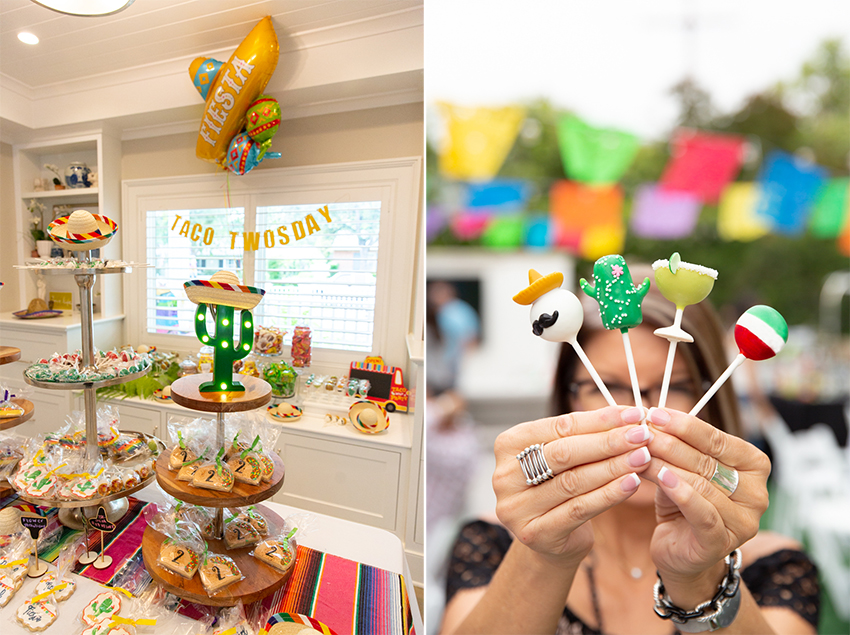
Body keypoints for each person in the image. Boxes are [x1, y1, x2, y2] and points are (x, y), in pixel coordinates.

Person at [439, 268, 819, 635]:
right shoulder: (494, 544)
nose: (645, 413)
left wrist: (701, 577)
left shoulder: (775, 568)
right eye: (606, 386)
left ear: (714, 399)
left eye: (678, 386)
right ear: (568, 401)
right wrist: (546, 553)